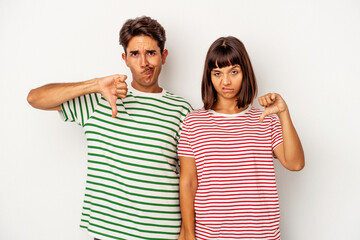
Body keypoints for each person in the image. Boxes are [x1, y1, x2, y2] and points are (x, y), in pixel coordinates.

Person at [27, 16, 192, 240]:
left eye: (151, 53)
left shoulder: (181, 109)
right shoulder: (99, 99)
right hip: (108, 232)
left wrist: (186, 232)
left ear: (164, 56)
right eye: (135, 54)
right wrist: (94, 85)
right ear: (125, 58)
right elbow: (35, 98)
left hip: (163, 232)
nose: (144, 62)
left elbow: (191, 178)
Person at [178, 36, 305, 239]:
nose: (226, 81)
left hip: (260, 234)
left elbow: (296, 163)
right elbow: (188, 182)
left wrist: (283, 113)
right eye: (217, 73)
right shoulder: (194, 122)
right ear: (209, 76)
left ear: (245, 73)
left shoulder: (265, 119)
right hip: (209, 234)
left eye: (234, 72)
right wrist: (188, 234)